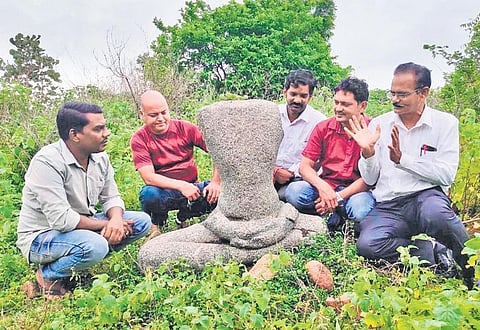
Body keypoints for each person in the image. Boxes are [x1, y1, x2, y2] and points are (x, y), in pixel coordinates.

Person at [345, 62, 474, 286]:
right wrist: (367, 153)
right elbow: (370, 179)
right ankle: (430, 251)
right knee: (368, 245)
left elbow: (446, 175)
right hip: (390, 204)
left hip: (426, 197)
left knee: (439, 215)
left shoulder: (445, 124)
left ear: (424, 93)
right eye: (392, 93)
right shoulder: (380, 124)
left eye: (403, 94)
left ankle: (471, 270)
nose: (395, 99)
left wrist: (403, 160)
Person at [17, 101, 151, 300]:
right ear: (74, 135)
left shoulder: (100, 157)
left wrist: (115, 220)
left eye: (105, 126)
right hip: (42, 237)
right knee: (95, 245)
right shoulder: (47, 162)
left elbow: (111, 197)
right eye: (98, 129)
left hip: (79, 229)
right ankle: (46, 275)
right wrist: (107, 224)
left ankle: (74, 265)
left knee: (141, 222)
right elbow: (62, 220)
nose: (107, 133)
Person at [285, 77, 375, 231]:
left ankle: (332, 212)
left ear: (362, 106)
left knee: (361, 210)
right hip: (327, 184)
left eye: (345, 104)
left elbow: (370, 178)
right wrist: (324, 189)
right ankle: (334, 213)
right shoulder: (323, 127)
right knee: (294, 192)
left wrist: (338, 197)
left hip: (356, 190)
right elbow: (305, 166)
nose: (338, 108)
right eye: (336, 102)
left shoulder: (372, 130)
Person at [130, 90, 221, 235]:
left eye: (164, 113)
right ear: (142, 115)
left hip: (194, 189)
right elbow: (149, 177)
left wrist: (215, 182)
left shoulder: (186, 128)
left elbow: (218, 151)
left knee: (222, 192)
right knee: (148, 195)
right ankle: (157, 223)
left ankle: (184, 216)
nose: (160, 118)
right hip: (164, 190)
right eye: (153, 115)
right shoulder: (139, 139)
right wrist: (181, 186)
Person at [274, 69, 326, 200]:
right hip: (270, 173)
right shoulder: (272, 114)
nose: (297, 100)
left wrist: (290, 173)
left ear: (310, 97)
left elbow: (319, 159)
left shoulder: (319, 122)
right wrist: (274, 170)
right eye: (293, 94)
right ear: (284, 92)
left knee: (289, 196)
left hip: (298, 177)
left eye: (303, 96)